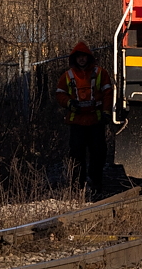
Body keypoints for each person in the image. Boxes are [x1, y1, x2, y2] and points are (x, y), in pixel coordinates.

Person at [54, 41, 113, 194]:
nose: (81, 59)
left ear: (88, 57)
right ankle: (77, 186)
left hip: (96, 121)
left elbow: (108, 94)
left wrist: (107, 112)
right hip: (77, 122)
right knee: (76, 156)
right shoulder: (68, 76)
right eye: (78, 57)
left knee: (99, 154)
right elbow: (59, 94)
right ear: (75, 59)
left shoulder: (101, 73)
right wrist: (68, 103)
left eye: (83, 56)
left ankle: (96, 183)